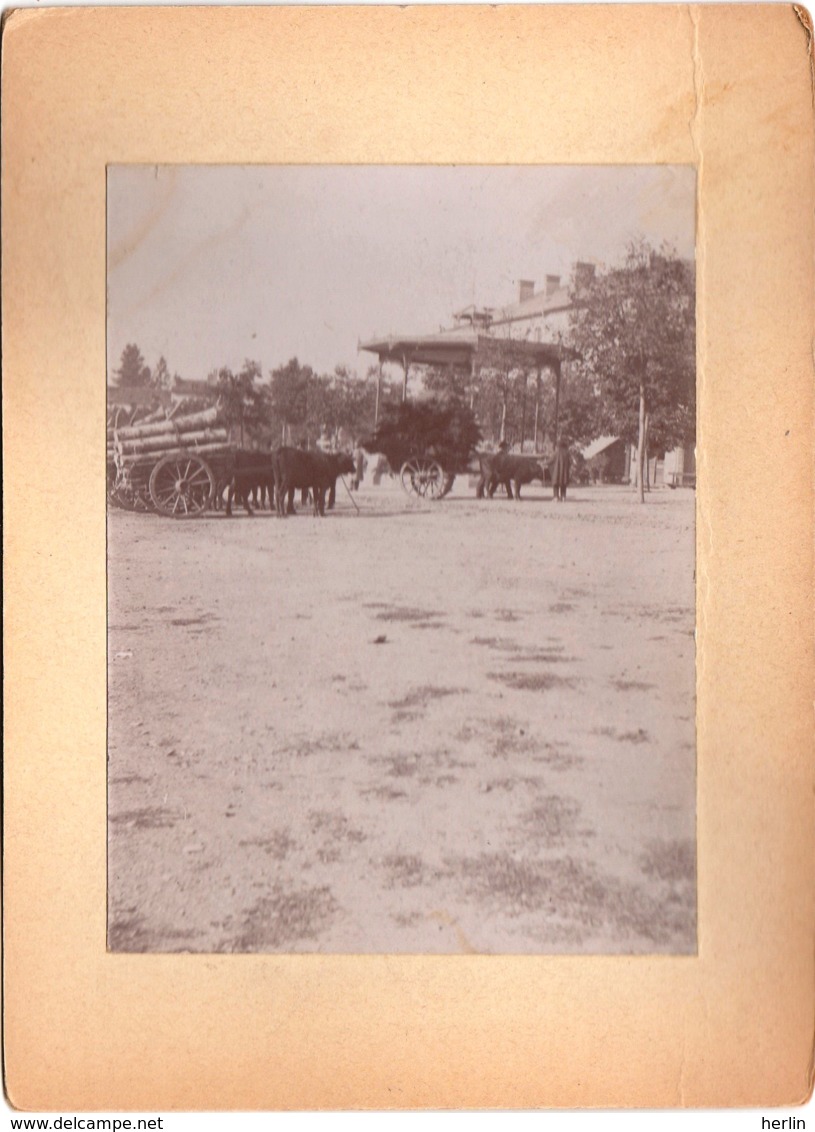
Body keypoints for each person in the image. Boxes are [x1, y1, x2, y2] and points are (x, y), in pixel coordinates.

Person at [552, 437, 571, 502]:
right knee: (563, 484)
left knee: (555, 484)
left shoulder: (556, 452)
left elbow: (551, 460)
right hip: (565, 472)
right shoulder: (567, 453)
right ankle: (563, 497)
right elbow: (570, 462)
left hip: (557, 471)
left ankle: (556, 497)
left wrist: (543, 463)